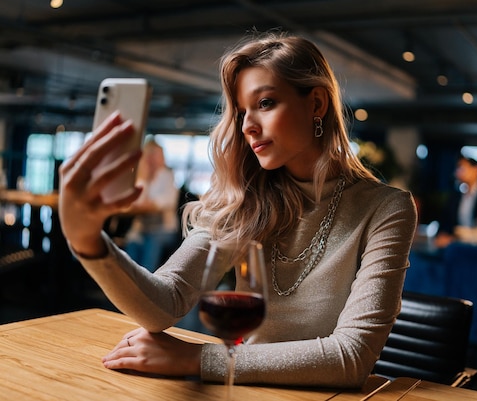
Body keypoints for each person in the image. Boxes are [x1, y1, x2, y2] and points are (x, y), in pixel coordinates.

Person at [57, 32, 418, 388]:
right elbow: (164, 303)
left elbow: (350, 357)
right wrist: (89, 241)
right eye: (242, 111)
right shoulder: (244, 197)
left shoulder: (387, 209)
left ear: (317, 104)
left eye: (264, 103)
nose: (247, 125)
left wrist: (194, 359)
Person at [123, 138, 180, 272]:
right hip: (141, 229)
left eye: (156, 155)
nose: (153, 159)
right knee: (131, 246)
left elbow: (163, 203)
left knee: (151, 243)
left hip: (164, 229)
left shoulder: (168, 176)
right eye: (150, 155)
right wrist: (144, 177)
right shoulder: (141, 178)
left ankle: (146, 287)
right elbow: (135, 203)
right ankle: (127, 286)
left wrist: (145, 204)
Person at [434, 154, 477, 247]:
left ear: (476, 170)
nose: (458, 172)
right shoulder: (454, 197)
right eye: (458, 168)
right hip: (456, 247)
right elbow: (444, 223)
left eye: (462, 167)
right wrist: (443, 235)